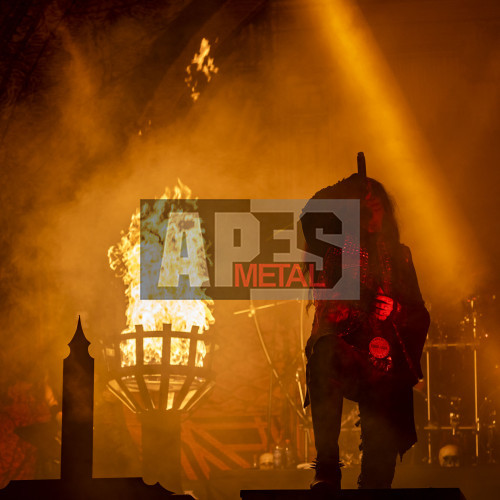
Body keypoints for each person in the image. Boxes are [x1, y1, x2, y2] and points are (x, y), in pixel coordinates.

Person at [300, 172, 430, 491]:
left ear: (386, 213)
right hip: (344, 349)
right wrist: (350, 185)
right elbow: (309, 213)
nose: (371, 213)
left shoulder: (400, 256)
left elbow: (420, 314)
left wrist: (395, 309)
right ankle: (327, 468)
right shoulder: (334, 246)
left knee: (378, 473)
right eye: (362, 206)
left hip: (383, 362)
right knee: (325, 354)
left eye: (377, 207)